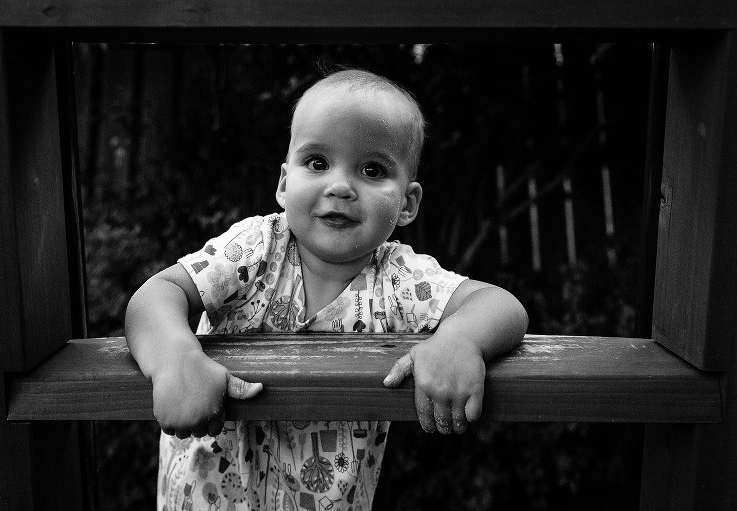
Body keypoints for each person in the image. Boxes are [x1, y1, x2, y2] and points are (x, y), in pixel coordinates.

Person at [125, 69, 528, 511]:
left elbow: (498, 305)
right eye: (317, 162)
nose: (340, 186)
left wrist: (460, 338)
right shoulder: (255, 249)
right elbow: (157, 295)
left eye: (372, 169)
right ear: (283, 183)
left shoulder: (397, 278)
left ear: (407, 203)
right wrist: (174, 356)